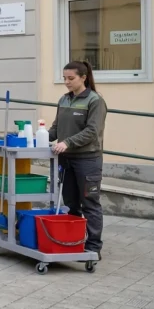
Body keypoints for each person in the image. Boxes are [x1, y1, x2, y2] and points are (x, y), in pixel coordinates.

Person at [49, 60, 107, 258]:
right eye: (64, 78)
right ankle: (73, 241)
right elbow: (56, 129)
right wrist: (37, 137)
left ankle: (93, 247)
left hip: (87, 160)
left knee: (89, 202)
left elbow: (92, 131)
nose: (66, 82)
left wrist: (68, 142)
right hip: (67, 159)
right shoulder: (64, 100)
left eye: (71, 78)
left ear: (83, 77)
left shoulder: (94, 100)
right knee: (72, 203)